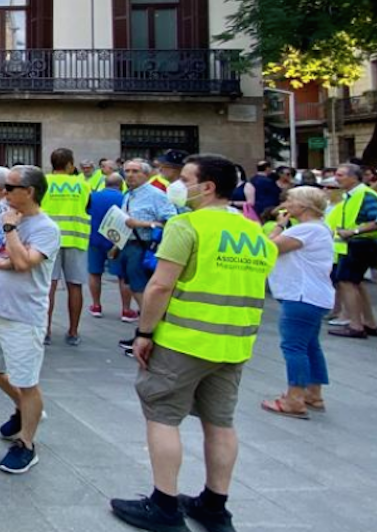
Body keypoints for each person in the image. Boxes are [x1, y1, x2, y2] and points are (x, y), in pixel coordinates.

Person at [112, 155, 277, 532]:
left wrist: (144, 333)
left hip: (184, 341)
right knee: (220, 424)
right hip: (234, 343)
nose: (176, 184)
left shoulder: (187, 224)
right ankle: (214, 507)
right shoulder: (254, 230)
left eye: (185, 178)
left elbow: (160, 285)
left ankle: (164, 506)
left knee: (162, 416)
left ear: (207, 187)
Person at [0, 165, 62, 474]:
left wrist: (12, 233)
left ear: (30, 192)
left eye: (11, 187)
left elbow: (25, 263)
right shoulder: (2, 216)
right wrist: (4, 261)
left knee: (27, 382)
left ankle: (27, 443)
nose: (3, 191)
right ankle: (26, 410)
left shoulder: (46, 228)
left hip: (24, 315)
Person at [262, 186, 335, 418]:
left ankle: (294, 398)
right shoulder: (319, 227)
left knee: (294, 347)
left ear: (303, 206)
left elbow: (267, 248)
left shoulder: (305, 230)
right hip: (314, 295)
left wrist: (279, 225)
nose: (286, 202)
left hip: (301, 295)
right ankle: (313, 393)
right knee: (310, 345)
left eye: (291, 199)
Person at [116, 159, 180, 349]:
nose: (130, 175)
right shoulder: (128, 194)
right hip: (127, 245)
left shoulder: (156, 194)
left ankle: (149, 333)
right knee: (134, 287)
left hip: (144, 246)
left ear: (146, 174)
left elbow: (172, 220)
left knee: (141, 290)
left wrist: (143, 224)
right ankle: (142, 333)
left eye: (135, 171)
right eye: (127, 171)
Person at [327, 162, 377, 339]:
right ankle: (368, 323)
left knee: (346, 282)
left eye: (340, 175)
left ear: (354, 177)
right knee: (355, 283)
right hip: (356, 244)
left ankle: (356, 325)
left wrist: (353, 231)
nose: (336, 178)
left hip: (360, 243)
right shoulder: (353, 195)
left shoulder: (365, 195)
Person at [43, 148, 91, 346]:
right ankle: (73, 332)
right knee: (75, 286)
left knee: (48, 287)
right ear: (70, 165)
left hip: (48, 241)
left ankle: (45, 331)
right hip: (76, 240)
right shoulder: (83, 185)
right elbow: (88, 206)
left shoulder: (43, 182)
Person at [87, 173, 134, 319]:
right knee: (123, 276)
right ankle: (126, 310)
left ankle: (96, 306)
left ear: (105, 183)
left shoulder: (93, 197)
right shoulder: (126, 198)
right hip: (118, 241)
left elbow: (87, 213)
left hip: (95, 239)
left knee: (95, 273)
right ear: (121, 185)